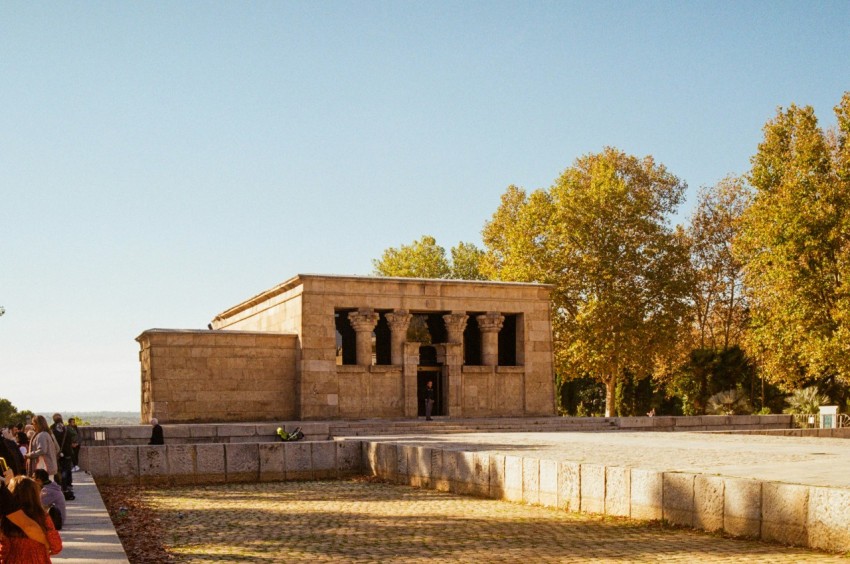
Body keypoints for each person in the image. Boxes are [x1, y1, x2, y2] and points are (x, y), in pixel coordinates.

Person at [0, 474, 62, 562]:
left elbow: (4, 550)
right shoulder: (42, 517)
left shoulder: (8, 518)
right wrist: (47, 545)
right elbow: (56, 546)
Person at [25, 416, 59, 481]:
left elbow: (42, 450)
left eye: (33, 424)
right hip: (47, 467)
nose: (33, 426)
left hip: (43, 467)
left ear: (37, 424)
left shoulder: (41, 435)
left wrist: (29, 455)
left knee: (44, 489)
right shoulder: (46, 433)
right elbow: (57, 449)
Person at [49, 415, 74, 498]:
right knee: (67, 470)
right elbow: (72, 437)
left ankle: (60, 486)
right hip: (67, 452)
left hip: (56, 454)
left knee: (58, 471)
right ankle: (67, 486)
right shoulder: (66, 428)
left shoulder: (51, 429)